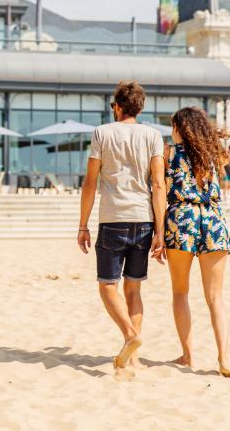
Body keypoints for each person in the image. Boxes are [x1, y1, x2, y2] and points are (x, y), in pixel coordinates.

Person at [78, 80, 166, 371]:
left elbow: (91, 182)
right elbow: (157, 184)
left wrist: (82, 225)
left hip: (113, 218)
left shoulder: (102, 133)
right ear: (139, 108)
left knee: (107, 286)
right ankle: (134, 356)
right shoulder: (153, 136)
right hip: (143, 220)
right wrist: (161, 230)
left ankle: (130, 336)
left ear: (116, 107)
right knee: (134, 289)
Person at [165, 107, 230, 378]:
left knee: (180, 292)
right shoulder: (217, 155)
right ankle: (224, 357)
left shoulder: (169, 153)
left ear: (179, 128)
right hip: (213, 221)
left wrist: (159, 233)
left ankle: (188, 354)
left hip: (182, 219)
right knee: (216, 297)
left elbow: (160, 190)